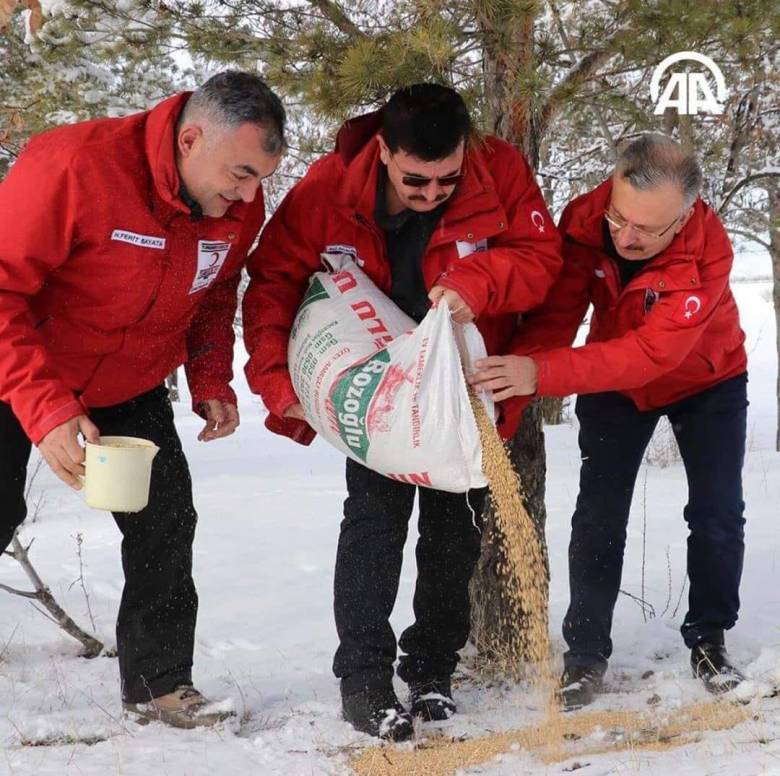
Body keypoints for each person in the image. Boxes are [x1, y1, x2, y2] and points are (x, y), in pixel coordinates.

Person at [242, 83, 562, 739]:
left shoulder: (499, 169)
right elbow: (273, 279)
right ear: (384, 150)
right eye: (417, 180)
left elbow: (540, 260)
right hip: (381, 388)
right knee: (374, 524)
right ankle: (363, 681)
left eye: (446, 180)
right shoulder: (330, 187)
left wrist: (475, 285)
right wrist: (279, 385)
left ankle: (431, 674)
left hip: (465, 385)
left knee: (454, 535)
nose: (431, 193)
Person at [0, 71, 285, 728]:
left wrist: (212, 378)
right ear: (190, 138)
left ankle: (159, 688)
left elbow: (216, 292)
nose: (247, 196)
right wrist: (46, 412)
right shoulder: (73, 165)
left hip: (127, 380)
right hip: (20, 364)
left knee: (164, 521)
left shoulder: (236, 202)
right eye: (239, 173)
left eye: (258, 180)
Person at [469, 133, 748, 709]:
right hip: (614, 382)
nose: (624, 237)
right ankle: (586, 656)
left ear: (686, 213)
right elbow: (558, 315)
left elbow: (655, 354)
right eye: (619, 219)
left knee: (717, 514)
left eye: (646, 230)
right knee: (598, 517)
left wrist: (540, 374)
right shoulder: (584, 219)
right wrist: (514, 385)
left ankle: (709, 639)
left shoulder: (710, 249)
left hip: (707, 380)